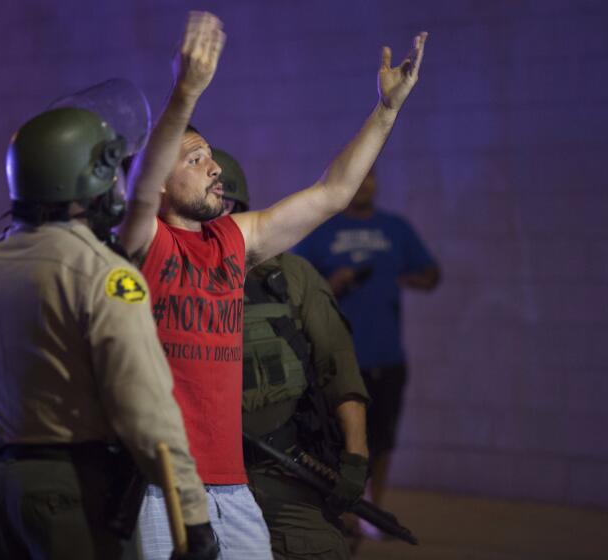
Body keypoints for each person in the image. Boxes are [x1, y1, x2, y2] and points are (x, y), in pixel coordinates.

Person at [117, 11, 428, 558]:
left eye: (212, 155)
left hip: (233, 488)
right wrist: (185, 92)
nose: (214, 168)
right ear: (164, 178)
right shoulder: (144, 242)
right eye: (196, 159)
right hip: (158, 486)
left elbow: (332, 193)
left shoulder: (231, 240)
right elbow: (142, 188)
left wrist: (386, 111)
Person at [0, 106, 216, 560]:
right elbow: (147, 408)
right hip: (67, 491)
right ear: (87, 178)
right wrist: (193, 518)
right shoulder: (102, 275)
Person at [214, 147, 370, 559]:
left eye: (227, 206)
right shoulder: (171, 276)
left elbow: (339, 368)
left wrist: (355, 455)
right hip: (205, 478)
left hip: (285, 465)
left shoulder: (291, 276)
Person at [295, 167, 441, 539]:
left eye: (373, 178)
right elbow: (293, 289)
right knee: (342, 439)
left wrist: (408, 279)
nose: (368, 186)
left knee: (382, 438)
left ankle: (373, 509)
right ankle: (344, 509)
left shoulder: (395, 228)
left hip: (388, 356)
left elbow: (431, 274)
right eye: (360, 179)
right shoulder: (322, 233)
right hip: (338, 360)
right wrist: (332, 284)